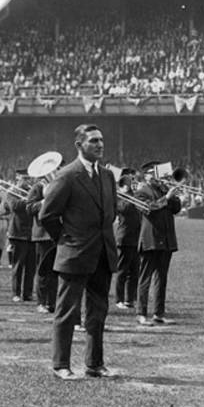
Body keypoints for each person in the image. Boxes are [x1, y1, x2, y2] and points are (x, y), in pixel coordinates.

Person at [39, 124, 118, 380]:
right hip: (74, 254)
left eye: (101, 140)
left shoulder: (107, 176)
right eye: (93, 141)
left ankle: (94, 364)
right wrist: (66, 239)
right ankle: (61, 365)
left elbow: (111, 213)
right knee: (67, 312)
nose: (99, 145)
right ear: (79, 145)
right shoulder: (67, 175)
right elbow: (47, 215)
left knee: (98, 312)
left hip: (103, 255)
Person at [135, 161, 181, 326]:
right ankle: (141, 313)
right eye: (152, 174)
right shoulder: (142, 191)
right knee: (145, 278)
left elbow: (176, 209)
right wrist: (166, 197)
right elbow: (148, 208)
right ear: (146, 175)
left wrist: (173, 194)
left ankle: (158, 313)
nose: (157, 177)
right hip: (151, 239)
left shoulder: (163, 189)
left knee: (162, 279)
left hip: (166, 239)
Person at [26, 165, 63, 314]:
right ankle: (41, 302)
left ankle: (51, 302)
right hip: (42, 234)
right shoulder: (37, 187)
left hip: (55, 233)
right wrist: (43, 201)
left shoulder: (57, 186)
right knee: (42, 269)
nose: (57, 171)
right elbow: (29, 208)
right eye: (55, 169)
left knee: (54, 270)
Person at [5, 170, 35, 302]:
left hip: (31, 234)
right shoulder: (12, 191)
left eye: (28, 179)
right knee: (18, 266)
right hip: (17, 233)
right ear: (18, 178)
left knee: (31, 267)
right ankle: (16, 293)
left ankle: (27, 293)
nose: (27, 182)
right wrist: (30, 200)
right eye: (25, 179)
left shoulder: (32, 192)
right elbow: (15, 206)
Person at [114, 175, 141, 309]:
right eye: (130, 184)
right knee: (122, 271)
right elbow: (124, 209)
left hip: (136, 238)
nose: (132, 185)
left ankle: (130, 299)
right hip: (124, 238)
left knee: (134, 271)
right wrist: (133, 195)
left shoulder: (134, 197)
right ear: (123, 185)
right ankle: (119, 299)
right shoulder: (119, 197)